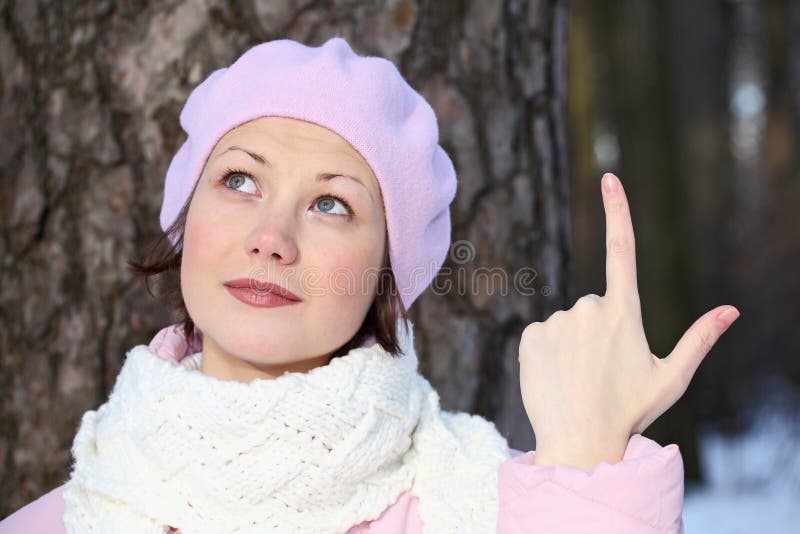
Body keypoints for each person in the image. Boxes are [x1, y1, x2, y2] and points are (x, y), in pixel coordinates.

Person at [0, 36, 692, 533]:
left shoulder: (512, 508)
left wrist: (585, 465)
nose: (272, 235)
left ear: (387, 277)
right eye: (239, 180)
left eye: (332, 203)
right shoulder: (55, 524)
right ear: (186, 223)